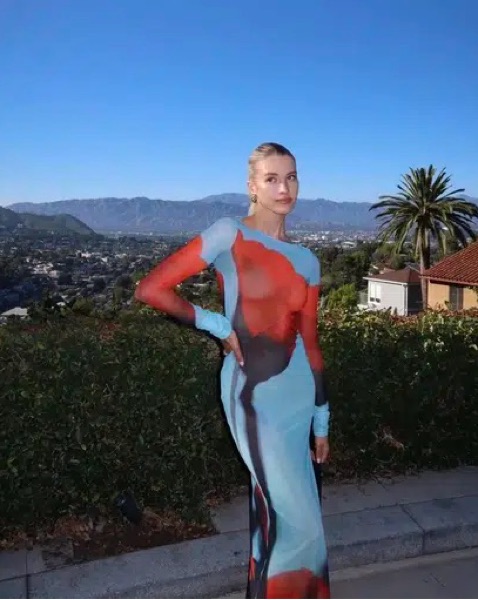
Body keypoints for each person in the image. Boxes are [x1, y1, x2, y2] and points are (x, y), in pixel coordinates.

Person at [135, 142, 330, 599]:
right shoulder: (230, 234)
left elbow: (311, 343)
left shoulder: (308, 260)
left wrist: (322, 417)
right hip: (253, 396)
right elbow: (152, 288)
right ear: (252, 187)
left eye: (291, 177)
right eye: (271, 178)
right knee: (298, 524)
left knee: (280, 518)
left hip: (299, 396)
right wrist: (217, 324)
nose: (284, 188)